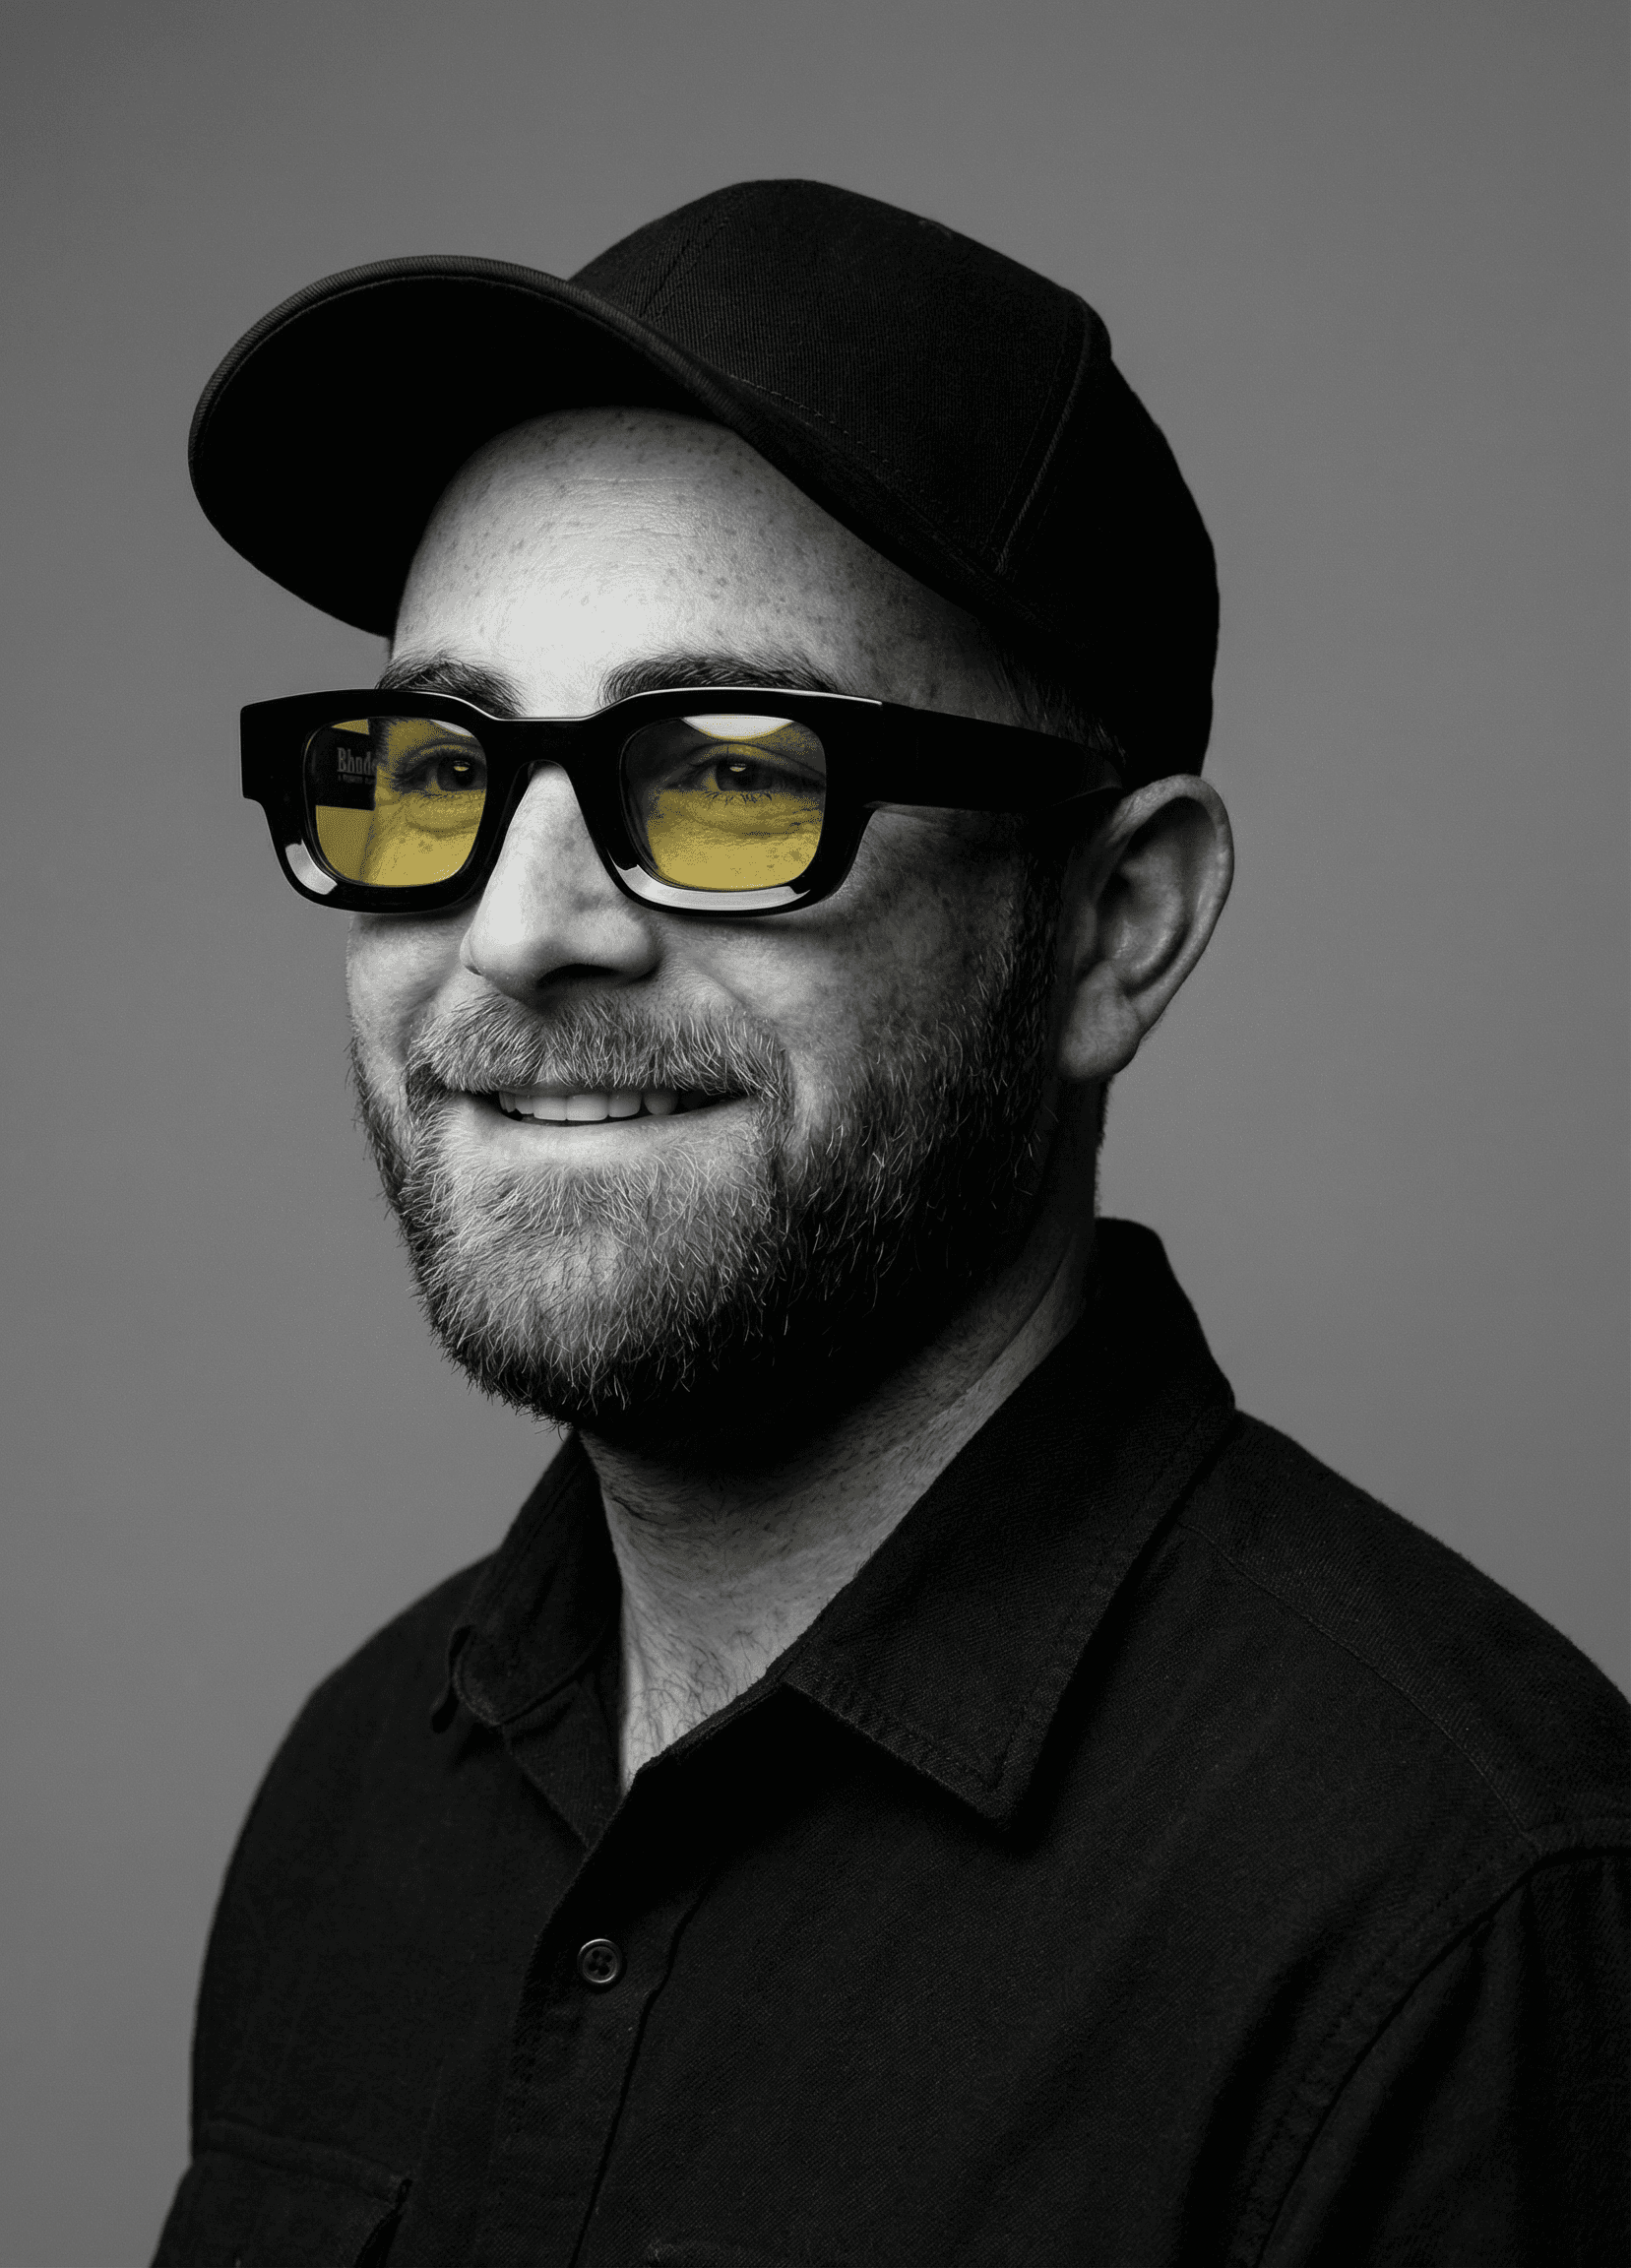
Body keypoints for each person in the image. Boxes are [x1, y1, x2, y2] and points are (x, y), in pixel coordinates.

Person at [157, 181, 1628, 2266]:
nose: (516, 929)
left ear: (1116, 927)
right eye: (428, 765)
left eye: (730, 777)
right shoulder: (355, 1803)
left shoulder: (1463, 1916)